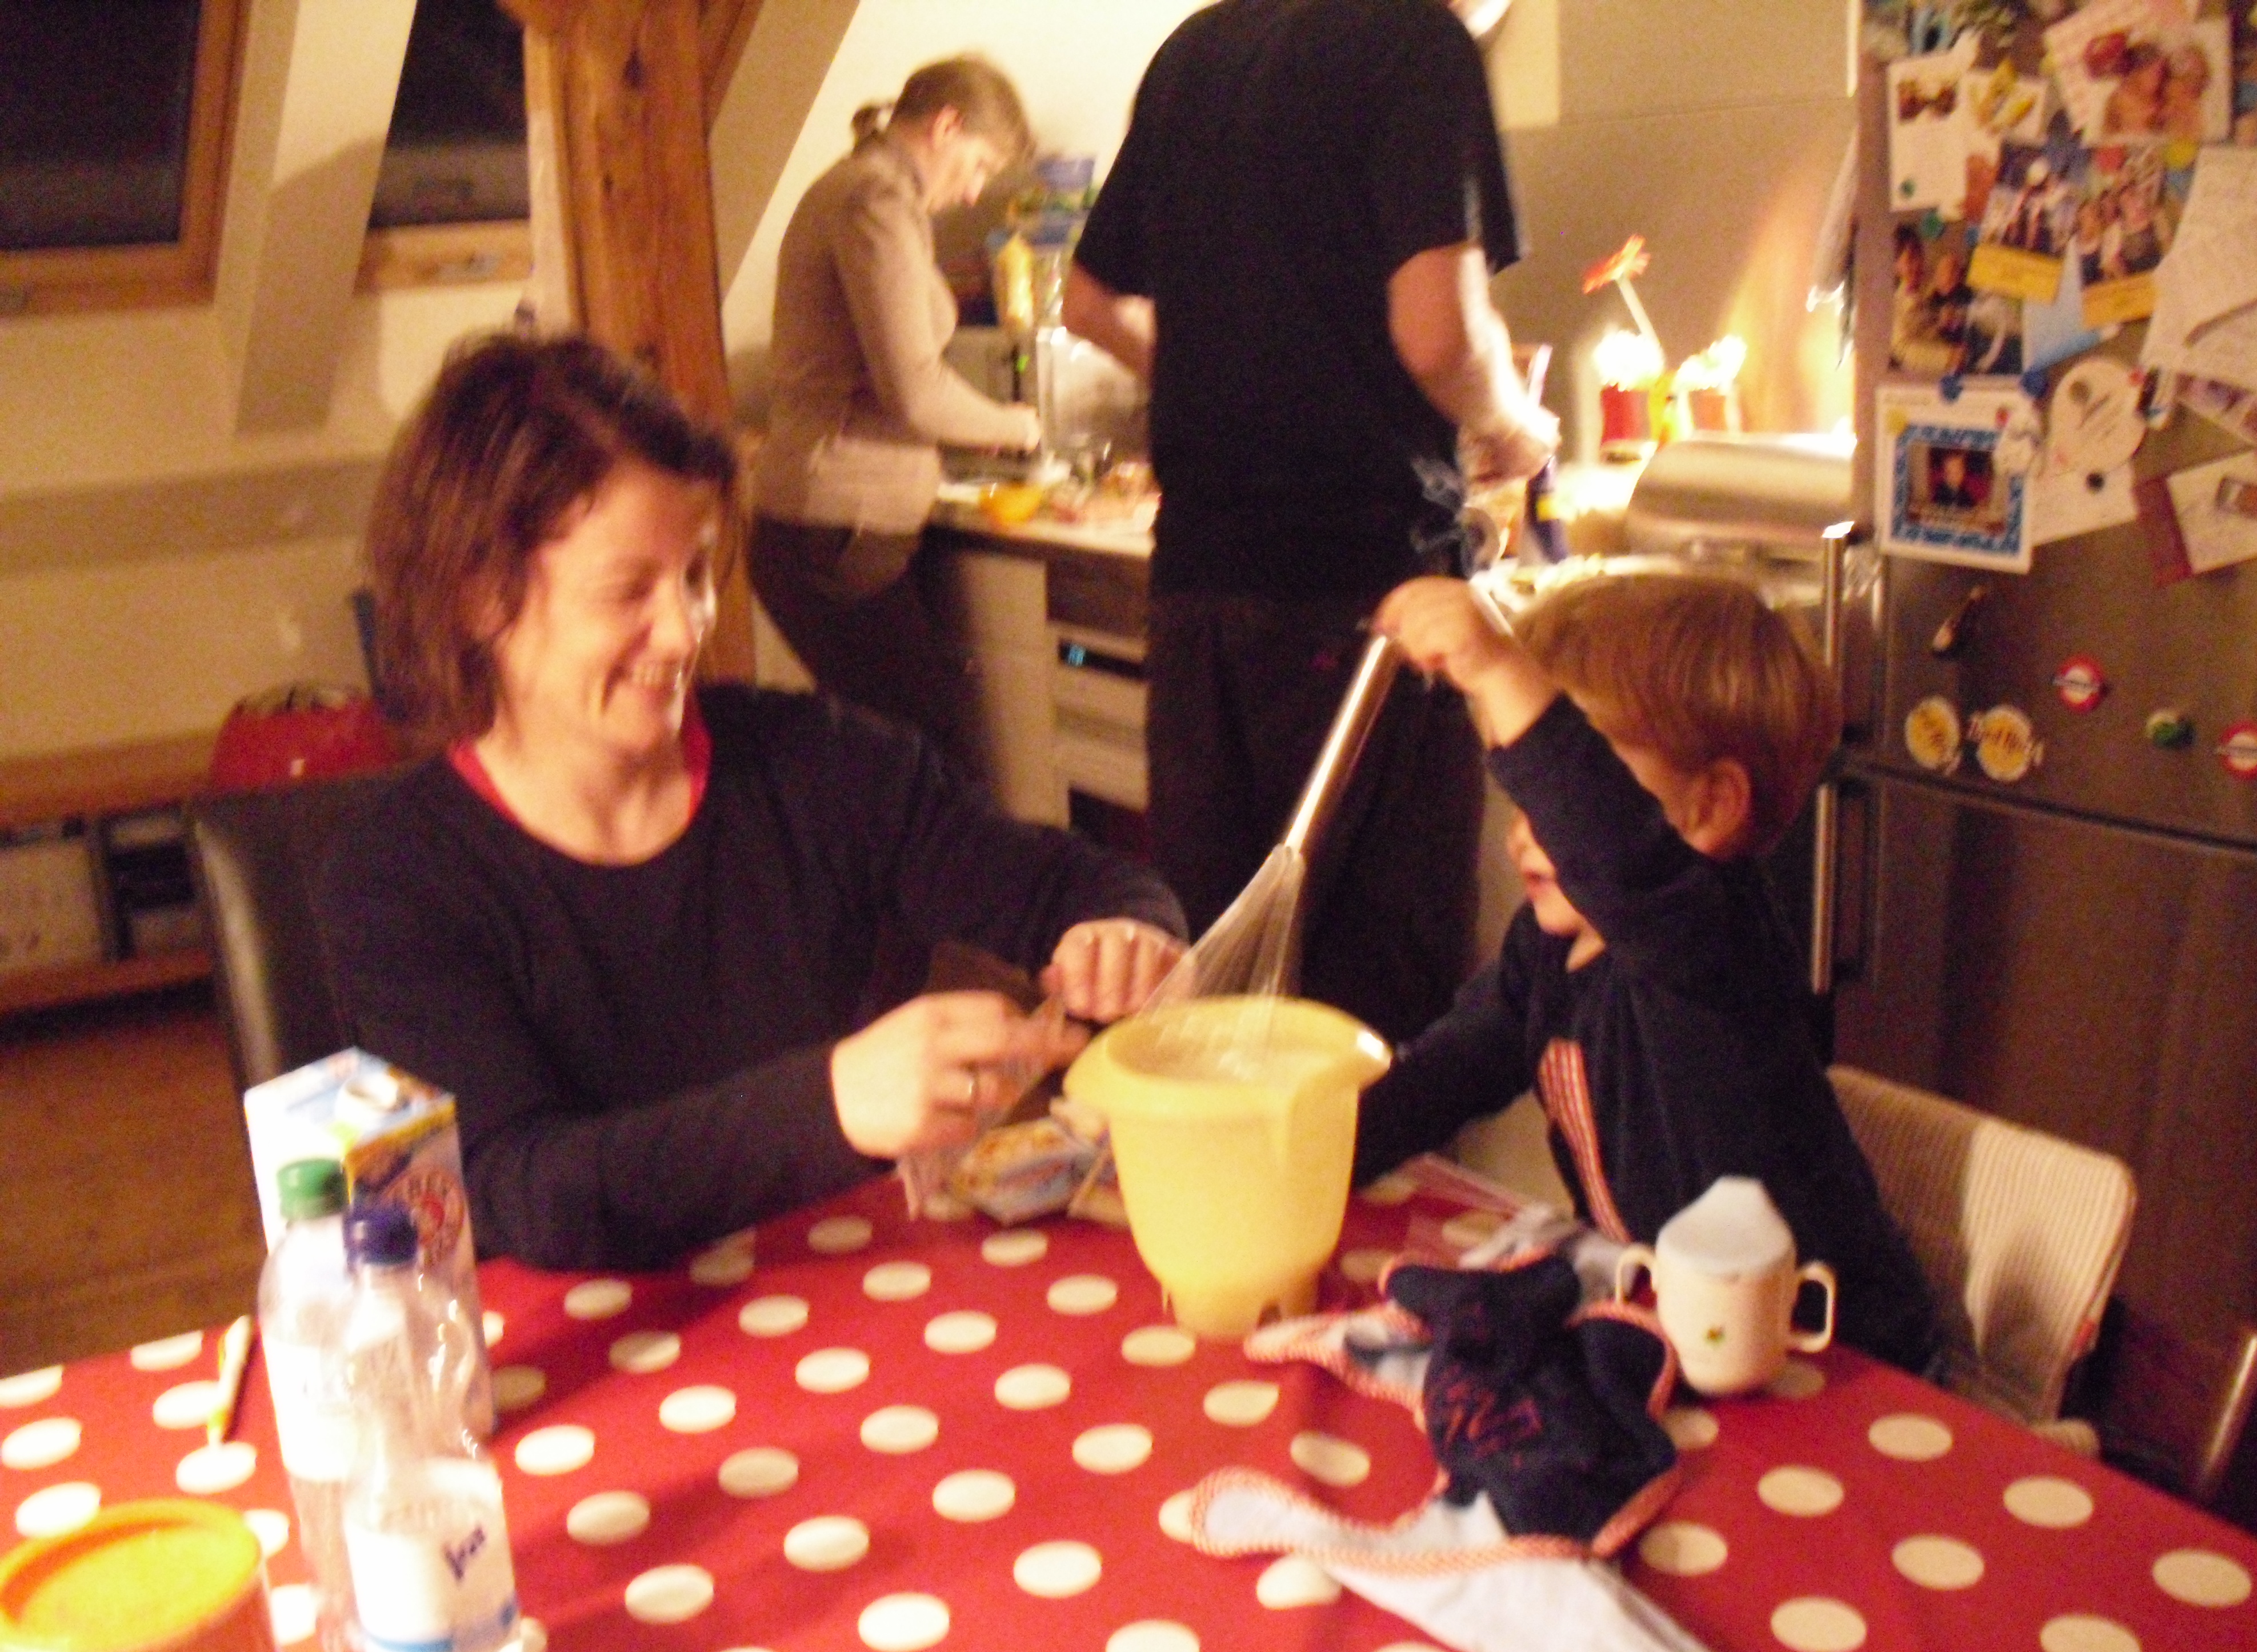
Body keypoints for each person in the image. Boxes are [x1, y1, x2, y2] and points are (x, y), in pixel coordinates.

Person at [322, 332, 1184, 1271]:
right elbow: (519, 1189)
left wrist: (1124, 932)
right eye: (628, 590)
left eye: (696, 575)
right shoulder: (398, 877)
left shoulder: (817, 763)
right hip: (591, 1340)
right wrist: (832, 1104)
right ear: (479, 597)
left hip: (830, 1294)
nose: (684, 629)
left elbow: (1069, 884)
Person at [1059, 0, 1557, 1050]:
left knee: (1218, 963)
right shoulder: (1420, 44)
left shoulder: (1196, 49)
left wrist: (1217, 383)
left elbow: (1089, 300)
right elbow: (1440, 336)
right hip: (1365, 591)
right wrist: (1517, 427)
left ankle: (1221, 1161)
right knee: (1375, 998)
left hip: (1198, 588)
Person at [1357, 571, 1940, 1373]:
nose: (1526, 831)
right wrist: (1304, 1148)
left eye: (1559, 791)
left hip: (1833, 1356)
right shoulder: (1547, 951)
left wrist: (1500, 668)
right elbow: (1444, 1074)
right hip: (1687, 1332)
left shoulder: (1714, 944)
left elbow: (1617, 857)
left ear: (1709, 808)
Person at [747, 57, 1042, 773]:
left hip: (827, 527)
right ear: (946, 126)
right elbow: (914, 388)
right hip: (838, 529)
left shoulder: (865, 189)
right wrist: (1017, 427)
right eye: (979, 164)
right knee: (935, 767)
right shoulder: (874, 199)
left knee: (882, 762)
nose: (972, 190)